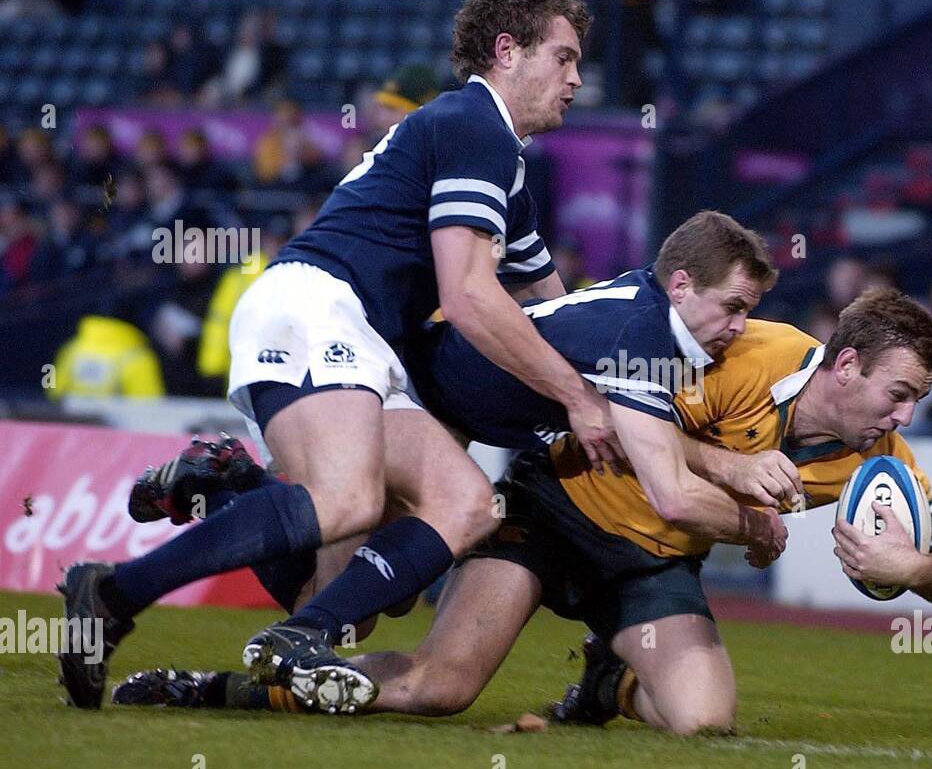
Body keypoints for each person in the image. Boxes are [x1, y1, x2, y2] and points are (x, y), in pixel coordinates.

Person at [57, 0, 618, 713]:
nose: (578, 78)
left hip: (354, 337)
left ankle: (253, 528)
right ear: (507, 52)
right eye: (565, 57)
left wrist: (620, 374)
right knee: (347, 500)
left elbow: (556, 306)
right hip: (318, 308)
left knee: (459, 509)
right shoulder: (475, 124)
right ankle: (116, 591)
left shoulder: (501, 163)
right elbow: (470, 297)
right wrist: (576, 397)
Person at [115, 290, 932, 733]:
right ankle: (223, 688)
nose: (907, 416)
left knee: (706, 719)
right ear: (843, 364)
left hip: (650, 562)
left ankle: (613, 675)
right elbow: (626, 423)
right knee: (440, 688)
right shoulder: (746, 351)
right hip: (557, 506)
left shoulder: (880, 461)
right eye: (899, 393)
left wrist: (913, 570)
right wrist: (737, 495)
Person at [111, 211, 785, 714]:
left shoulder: (638, 310)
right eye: (732, 308)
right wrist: (756, 525)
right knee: (349, 603)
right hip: (416, 403)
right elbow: (668, 491)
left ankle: (227, 485)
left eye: (748, 313)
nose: (738, 328)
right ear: (682, 285)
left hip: (436, 406)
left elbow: (644, 436)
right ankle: (235, 520)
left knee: (377, 596)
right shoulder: (648, 335)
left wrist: (726, 473)